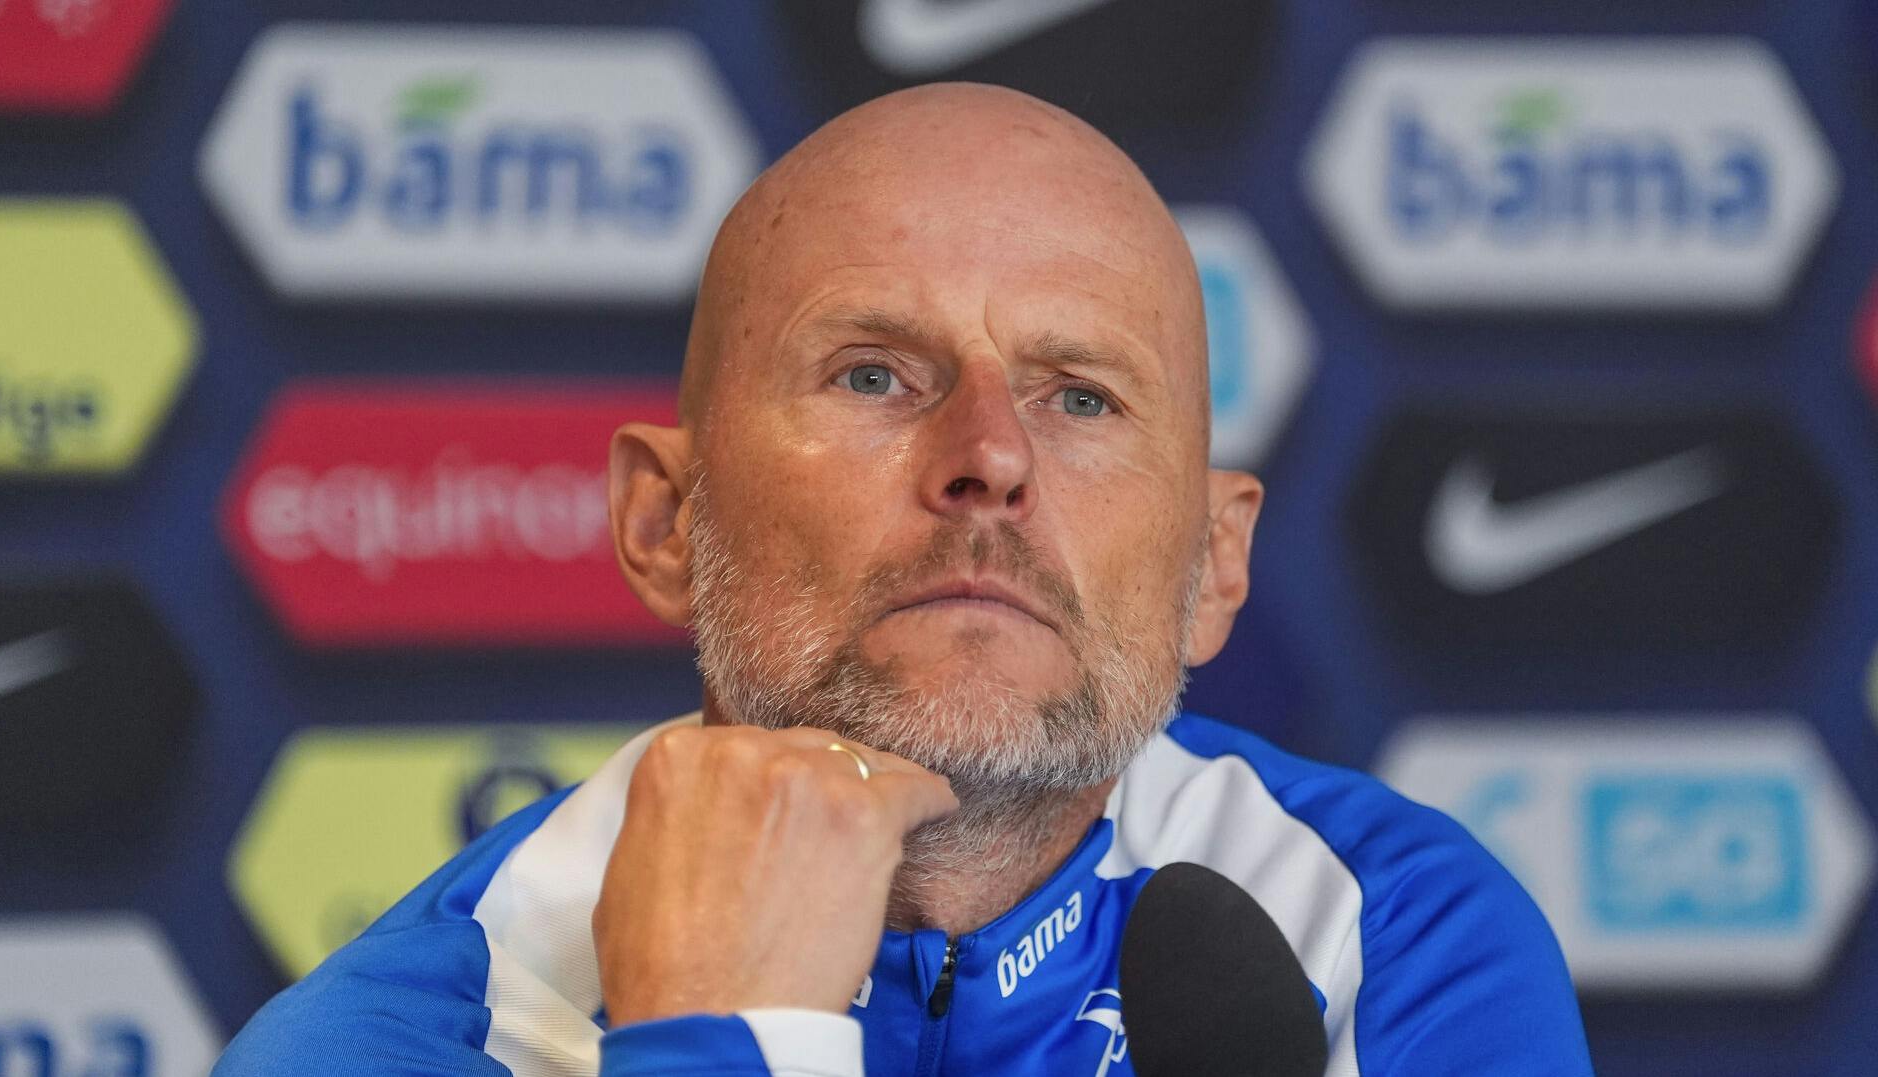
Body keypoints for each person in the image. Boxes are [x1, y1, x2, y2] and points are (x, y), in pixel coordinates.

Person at [215, 83, 1593, 1076]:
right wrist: (724, 1037)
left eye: (1083, 398)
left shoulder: (1399, 940)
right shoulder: (392, 1039)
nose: (988, 456)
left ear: (1214, 564)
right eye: (875, 373)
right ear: (663, 519)